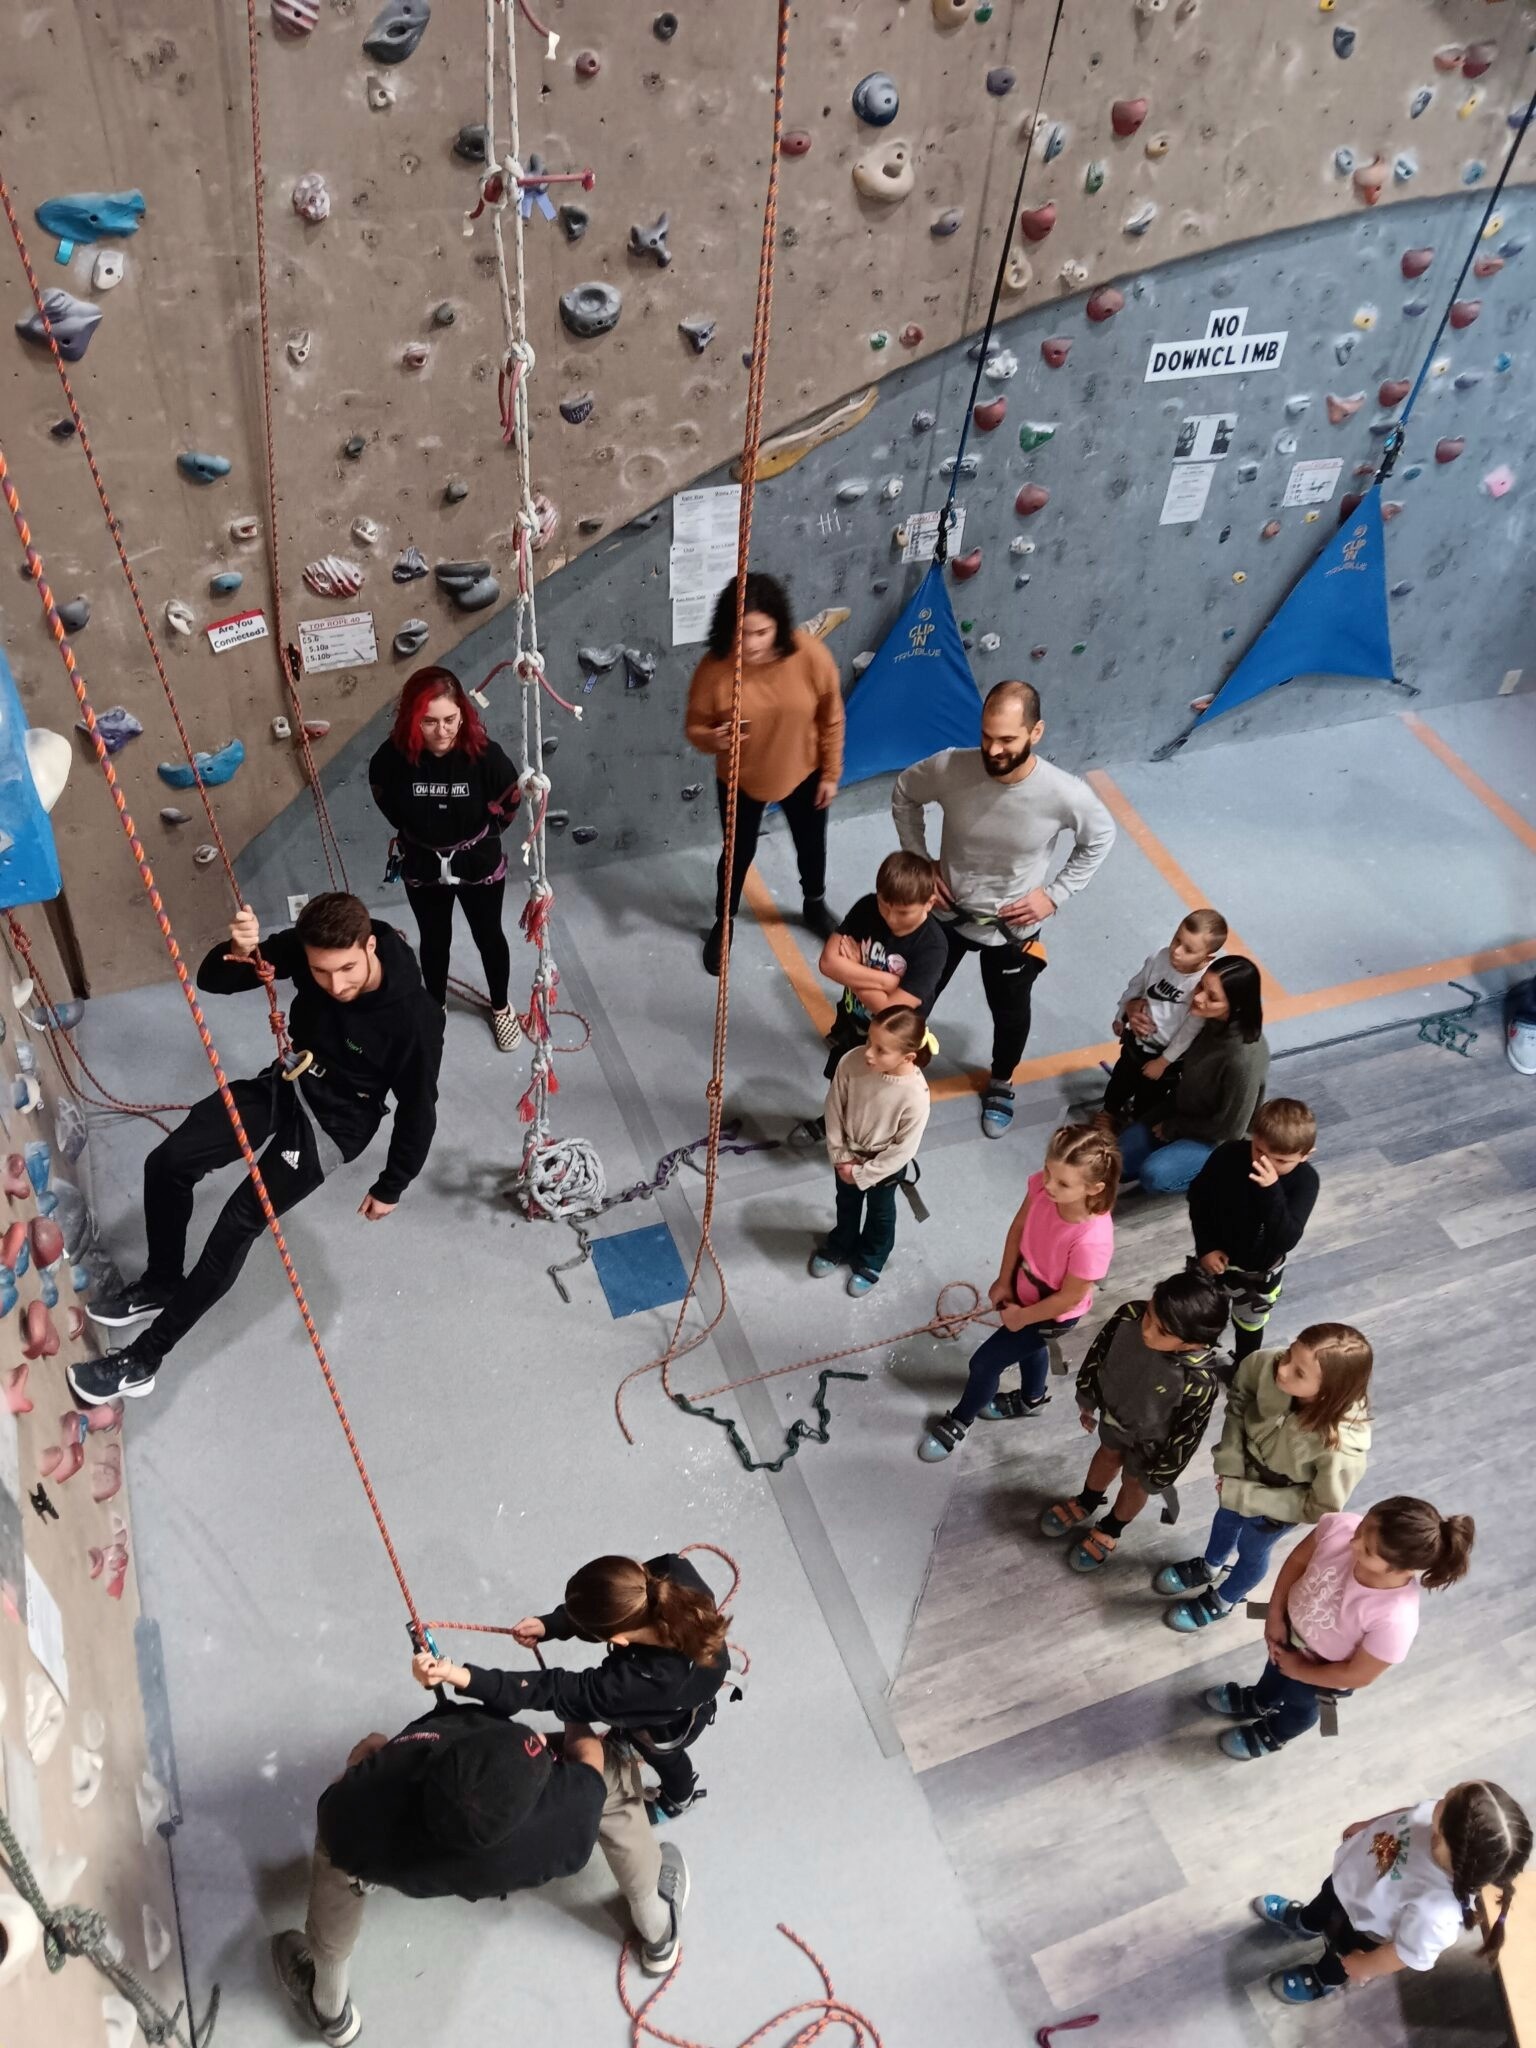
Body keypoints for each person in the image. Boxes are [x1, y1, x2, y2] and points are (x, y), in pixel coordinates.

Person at [73, 895, 444, 1406]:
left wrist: (392, 1184)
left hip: (339, 1121)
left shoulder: (414, 1018)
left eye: (348, 970)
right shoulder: (310, 944)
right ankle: (161, 1282)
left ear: (371, 946)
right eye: (321, 971)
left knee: (237, 1223)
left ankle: (144, 1359)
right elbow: (215, 980)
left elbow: (419, 1108)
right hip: (289, 1079)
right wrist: (238, 949)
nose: (336, 985)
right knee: (169, 1162)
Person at [269, 1702, 689, 2043]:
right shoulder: (568, 1815)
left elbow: (353, 1778)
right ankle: (657, 1930)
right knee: (613, 1780)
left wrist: (368, 1754)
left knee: (336, 1860)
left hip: (393, 1858)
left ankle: (331, 2010)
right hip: (517, 1858)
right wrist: (573, 1709)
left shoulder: (354, 1809)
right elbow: (589, 1758)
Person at [891, 680, 1116, 1137]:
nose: (993, 749)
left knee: (1010, 1012)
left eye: (1008, 739)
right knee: (914, 1000)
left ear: (1036, 733)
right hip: (946, 914)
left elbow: (1100, 837)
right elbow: (904, 793)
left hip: (1010, 929)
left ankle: (1001, 1081)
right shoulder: (951, 766)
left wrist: (1055, 894)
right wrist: (919, 860)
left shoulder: (1062, 793)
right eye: (987, 735)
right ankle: (893, 1066)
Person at [412, 1552, 731, 1823]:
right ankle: (646, 1756)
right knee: (643, 1735)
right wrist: (551, 1624)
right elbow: (617, 1605)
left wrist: (455, 1674)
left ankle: (680, 1796)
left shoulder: (635, 1685)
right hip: (692, 1679)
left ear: (617, 1640)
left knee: (661, 1750)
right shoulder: (670, 1572)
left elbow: (552, 1689)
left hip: (672, 1718)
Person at [1201, 1496, 1474, 1759]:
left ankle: (1274, 1733)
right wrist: (1275, 1615)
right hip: (1288, 1635)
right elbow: (1296, 1562)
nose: (1354, 1541)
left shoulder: (1396, 1619)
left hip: (1326, 1672)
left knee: (1300, 1702)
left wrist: (1302, 1670)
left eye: (1367, 1549)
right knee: (1273, 1673)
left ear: (1400, 1570)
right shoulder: (1341, 1527)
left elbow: (1359, 1675)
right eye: (1362, 1527)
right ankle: (1260, 1700)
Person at [918, 1124, 1119, 1461]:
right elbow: (1018, 1229)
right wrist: (1004, 1279)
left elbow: (1069, 1298)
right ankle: (1032, 1398)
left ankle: (960, 1419)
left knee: (983, 1364)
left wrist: (1021, 1317)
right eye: (1048, 1172)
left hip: (1049, 1312)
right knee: (1029, 1347)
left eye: (1063, 1183)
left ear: (1094, 1188)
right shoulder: (1043, 1186)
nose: (1049, 1185)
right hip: (1023, 1288)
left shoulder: (1092, 1240)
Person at [1156, 1321, 1372, 1632]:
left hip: (1279, 1505)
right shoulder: (1265, 1363)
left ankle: (1225, 1599)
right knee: (1225, 1520)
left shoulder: (1342, 1447)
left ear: (1329, 1392)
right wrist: (1231, 1465)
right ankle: (1210, 1565)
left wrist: (1244, 1495)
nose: (1282, 1369)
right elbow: (1238, 1404)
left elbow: (1320, 1506)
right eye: (1289, 1356)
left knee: (1253, 1550)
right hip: (1239, 1475)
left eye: (1299, 1372)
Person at [684, 573, 844, 976]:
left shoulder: (809, 656)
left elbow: (832, 717)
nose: (750, 643)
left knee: (812, 844)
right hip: (740, 778)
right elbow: (695, 728)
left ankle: (813, 904)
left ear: (780, 626)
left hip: (803, 770)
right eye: (741, 633)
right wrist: (715, 739)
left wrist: (830, 772)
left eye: (761, 632)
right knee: (737, 856)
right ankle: (725, 922)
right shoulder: (715, 668)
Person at [1252, 1780, 1530, 2006]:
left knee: (1340, 1957)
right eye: (1451, 1793)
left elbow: (1404, 1953)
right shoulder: (1440, 1816)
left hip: (1362, 1929)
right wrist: (1369, 1824)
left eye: (1447, 1799)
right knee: (1324, 1901)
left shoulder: (1437, 1913)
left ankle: (1323, 1978)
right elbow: (1409, 1814)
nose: (1441, 1798)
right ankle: (1306, 1921)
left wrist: (1366, 1966)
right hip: (1348, 1879)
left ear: (1446, 1844)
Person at [368, 665, 524, 1052]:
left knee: (489, 936)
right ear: (412, 719)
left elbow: (510, 800)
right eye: (430, 722)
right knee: (435, 939)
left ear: (463, 714)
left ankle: (501, 1006)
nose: (442, 731)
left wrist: (481, 839)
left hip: (477, 862)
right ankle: (433, 1005)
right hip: (422, 863)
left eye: (450, 719)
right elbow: (384, 797)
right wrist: (420, 835)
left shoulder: (485, 756)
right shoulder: (393, 758)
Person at [1038, 1271, 1230, 1570]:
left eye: (1162, 1332)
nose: (1148, 1330)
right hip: (1114, 1417)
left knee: (1134, 1484)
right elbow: (1099, 1351)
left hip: (1151, 1447)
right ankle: (1087, 1500)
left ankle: (1111, 1527)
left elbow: (1188, 1434)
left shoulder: (1199, 1382)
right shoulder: (1130, 1314)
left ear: (1192, 1344)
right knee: (1106, 1454)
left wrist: (1162, 1475)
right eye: (1151, 1315)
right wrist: (1087, 1396)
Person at [1117, 956, 1268, 1195]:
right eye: (1200, 987)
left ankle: (1223, 1172)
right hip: (1184, 1109)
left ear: (1236, 1006)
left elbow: (1230, 1130)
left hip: (1214, 1138)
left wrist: (1173, 1127)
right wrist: (1132, 1007)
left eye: (1212, 997)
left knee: (1153, 1175)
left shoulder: (1242, 1058)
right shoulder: (1203, 1020)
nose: (1197, 998)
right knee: (1117, 1159)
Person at [811, 1007, 932, 1297]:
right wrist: (841, 1157)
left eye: (881, 1050)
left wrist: (864, 1174)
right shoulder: (851, 1062)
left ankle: (872, 1258)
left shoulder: (915, 1094)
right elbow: (834, 1107)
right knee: (846, 1203)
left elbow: (905, 1148)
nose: (868, 1054)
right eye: (869, 1042)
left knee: (881, 1213)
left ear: (908, 1057)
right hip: (848, 1156)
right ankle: (841, 1243)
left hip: (884, 1167)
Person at [1187, 1099, 1320, 1358]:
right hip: (1214, 1259)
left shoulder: (1305, 1182)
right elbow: (1198, 1200)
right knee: (1199, 1311)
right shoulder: (1228, 1155)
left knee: (1249, 1324)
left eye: (1281, 1160)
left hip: (1259, 1274)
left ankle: (1243, 1367)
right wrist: (1206, 1246)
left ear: (1306, 1156)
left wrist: (1270, 1190)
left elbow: (1286, 1239)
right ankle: (1193, 1358)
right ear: (1253, 1137)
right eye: (1259, 1151)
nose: (1265, 1164)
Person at [817, 850, 945, 1079]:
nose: (891, 918)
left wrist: (854, 970)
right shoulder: (867, 907)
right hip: (853, 1017)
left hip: (890, 1042)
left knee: (870, 1093)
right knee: (839, 1079)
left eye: (904, 912)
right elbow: (828, 963)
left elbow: (890, 1010)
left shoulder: (932, 948)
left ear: (930, 903)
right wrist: (886, 981)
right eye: (884, 905)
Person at [1100, 908, 1228, 1126]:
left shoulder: (1201, 985)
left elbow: (1190, 1029)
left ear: (1207, 957)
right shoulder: (1159, 958)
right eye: (1176, 939)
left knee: (1149, 1099)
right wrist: (1122, 1014)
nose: (1176, 951)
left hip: (1165, 1055)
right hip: (1137, 1041)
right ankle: (1108, 1113)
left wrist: (1163, 1061)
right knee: (1120, 1080)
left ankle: (1137, 1122)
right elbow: (1136, 986)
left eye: (1188, 949)